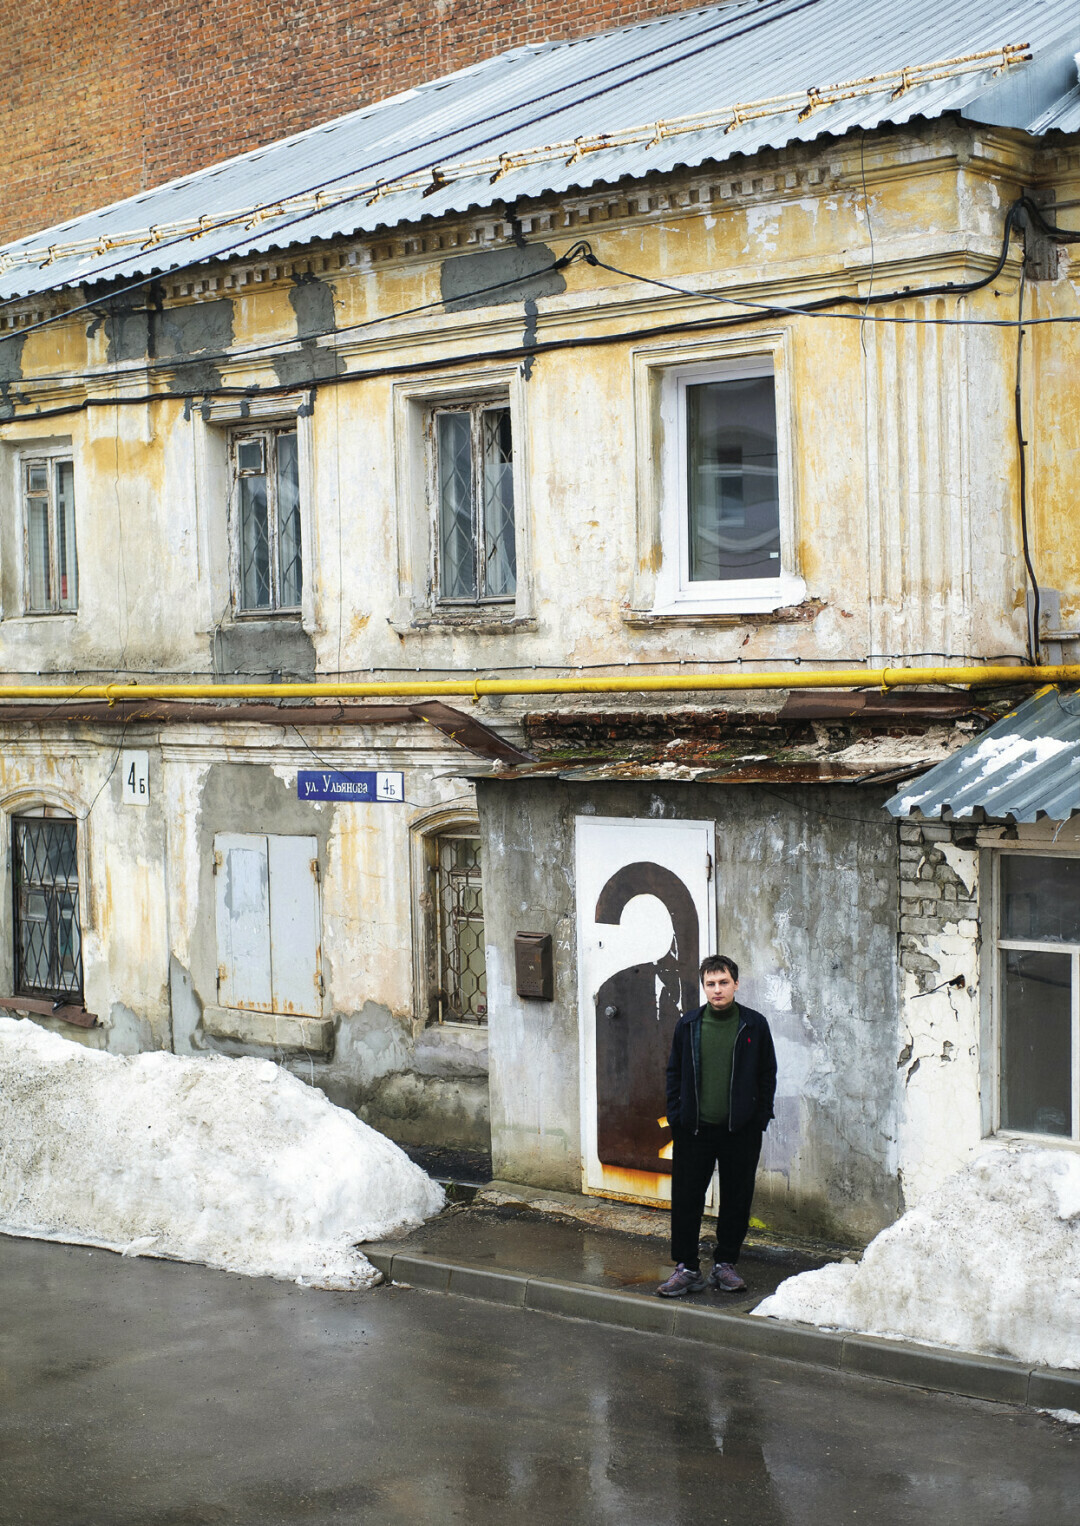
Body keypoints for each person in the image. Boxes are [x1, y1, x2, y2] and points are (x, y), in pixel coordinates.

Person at [657, 954, 777, 1297]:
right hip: (694, 1130)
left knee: (737, 1199)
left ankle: (725, 1264)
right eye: (711, 984)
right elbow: (674, 1073)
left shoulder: (754, 1025)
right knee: (686, 1199)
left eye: (723, 982)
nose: (717, 990)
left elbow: (767, 1074)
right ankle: (687, 1268)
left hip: (740, 1131)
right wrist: (677, 1118)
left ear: (736, 984)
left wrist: (759, 1118)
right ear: (704, 987)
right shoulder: (690, 1024)